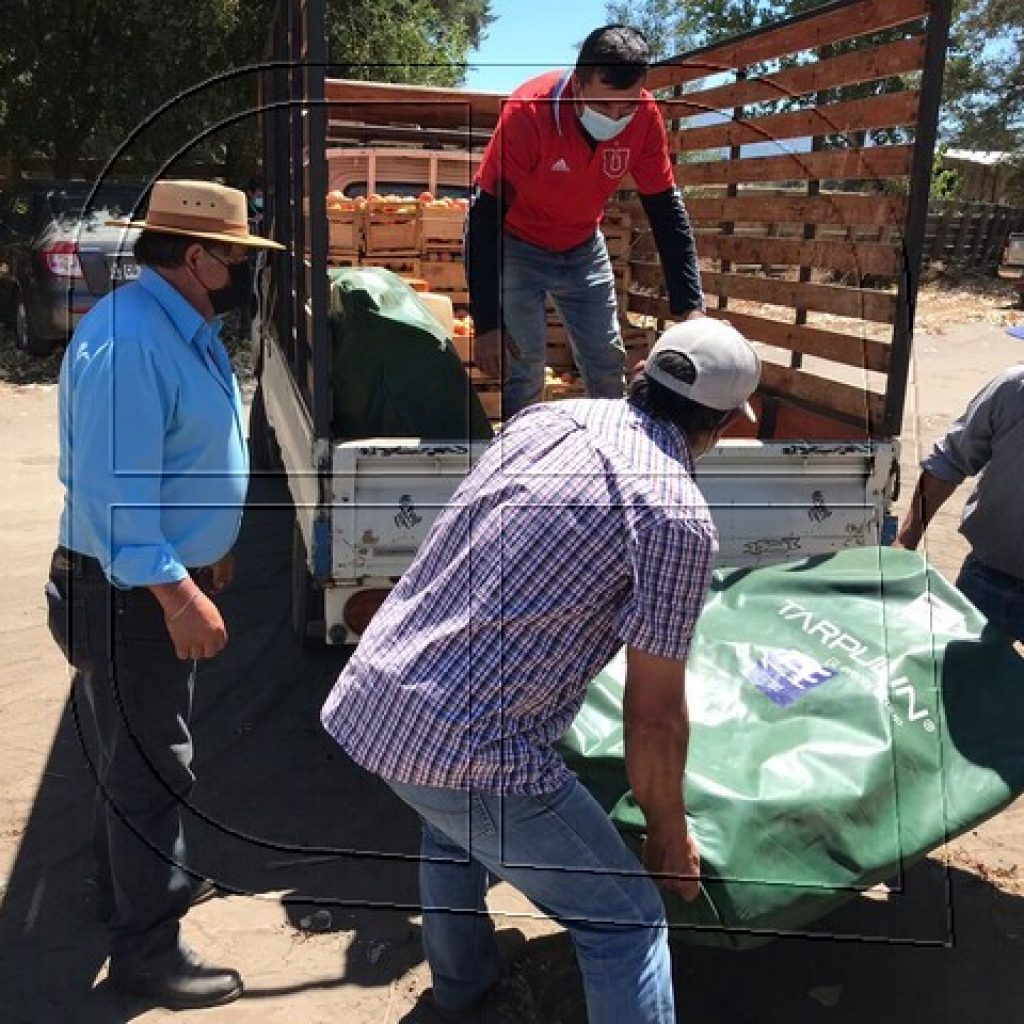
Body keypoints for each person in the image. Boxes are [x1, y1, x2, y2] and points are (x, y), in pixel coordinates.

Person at [321, 318, 762, 1023]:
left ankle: (462, 994)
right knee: (626, 922)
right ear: (726, 425)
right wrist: (669, 836)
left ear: (646, 374)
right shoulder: (677, 515)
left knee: (451, 829)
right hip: (471, 746)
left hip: (378, 696)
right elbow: (653, 715)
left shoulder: (546, 421)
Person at [45, 179, 283, 1009]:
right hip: (128, 597)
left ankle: (134, 888)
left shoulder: (181, 326)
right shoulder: (132, 341)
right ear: (198, 259)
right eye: (239, 257)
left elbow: (178, 462)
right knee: (153, 767)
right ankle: (148, 951)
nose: (248, 270)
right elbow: (116, 498)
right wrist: (179, 590)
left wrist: (204, 551)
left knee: (136, 756)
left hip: (136, 587)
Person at [466, 24, 706, 419]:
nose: (616, 118)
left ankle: (607, 460)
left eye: (625, 107)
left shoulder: (645, 119)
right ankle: (516, 464)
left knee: (607, 364)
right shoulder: (529, 115)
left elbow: (665, 211)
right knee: (524, 370)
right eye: (603, 106)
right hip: (516, 245)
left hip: (582, 246)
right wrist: (487, 321)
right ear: (578, 85)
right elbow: (484, 218)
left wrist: (690, 308)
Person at [894, 363, 1024, 642]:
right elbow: (951, 459)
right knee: (959, 679)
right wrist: (905, 541)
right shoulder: (1014, 388)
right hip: (987, 580)